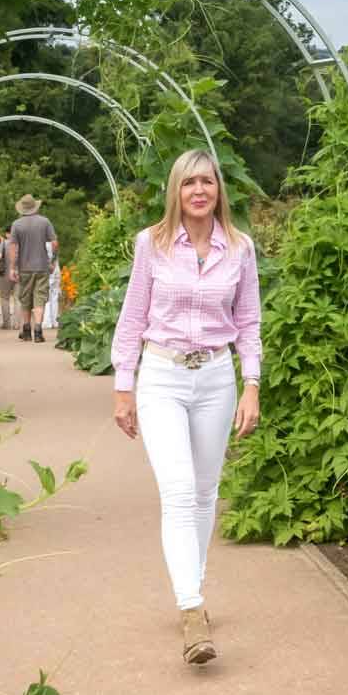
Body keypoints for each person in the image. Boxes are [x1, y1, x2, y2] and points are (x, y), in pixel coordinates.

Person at [110, 149, 261, 666]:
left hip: (217, 376)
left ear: (219, 189)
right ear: (175, 190)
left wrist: (252, 385)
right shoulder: (150, 246)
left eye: (208, 182)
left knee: (204, 491)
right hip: (162, 375)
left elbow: (249, 321)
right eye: (189, 182)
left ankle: (190, 587)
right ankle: (192, 609)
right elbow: (132, 318)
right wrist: (123, 386)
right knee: (177, 489)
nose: (199, 190)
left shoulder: (240, 249)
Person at [11, 194, 59, 342]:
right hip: (42, 267)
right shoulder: (45, 222)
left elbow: (13, 247)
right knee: (40, 297)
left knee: (25, 298)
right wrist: (53, 260)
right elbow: (54, 243)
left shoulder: (16, 224)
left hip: (24, 267)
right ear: (35, 207)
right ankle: (38, 330)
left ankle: (26, 330)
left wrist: (12, 268)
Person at [0, 226, 19, 329]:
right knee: (18, 299)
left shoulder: (4, 243)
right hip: (19, 274)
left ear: (7, 234)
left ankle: (7, 324)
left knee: (4, 298)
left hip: (5, 274)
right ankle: (17, 324)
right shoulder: (21, 243)